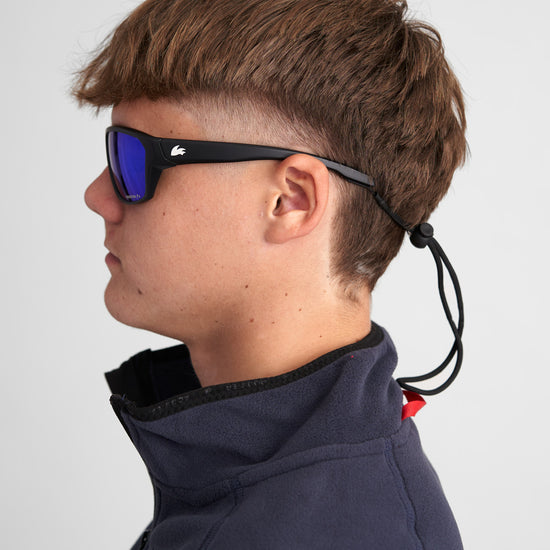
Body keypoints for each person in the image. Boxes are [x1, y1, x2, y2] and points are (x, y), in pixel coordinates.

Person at [74, 0, 466, 548]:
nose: (97, 196)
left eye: (132, 159)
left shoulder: (318, 534)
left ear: (290, 200)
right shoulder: (279, 484)